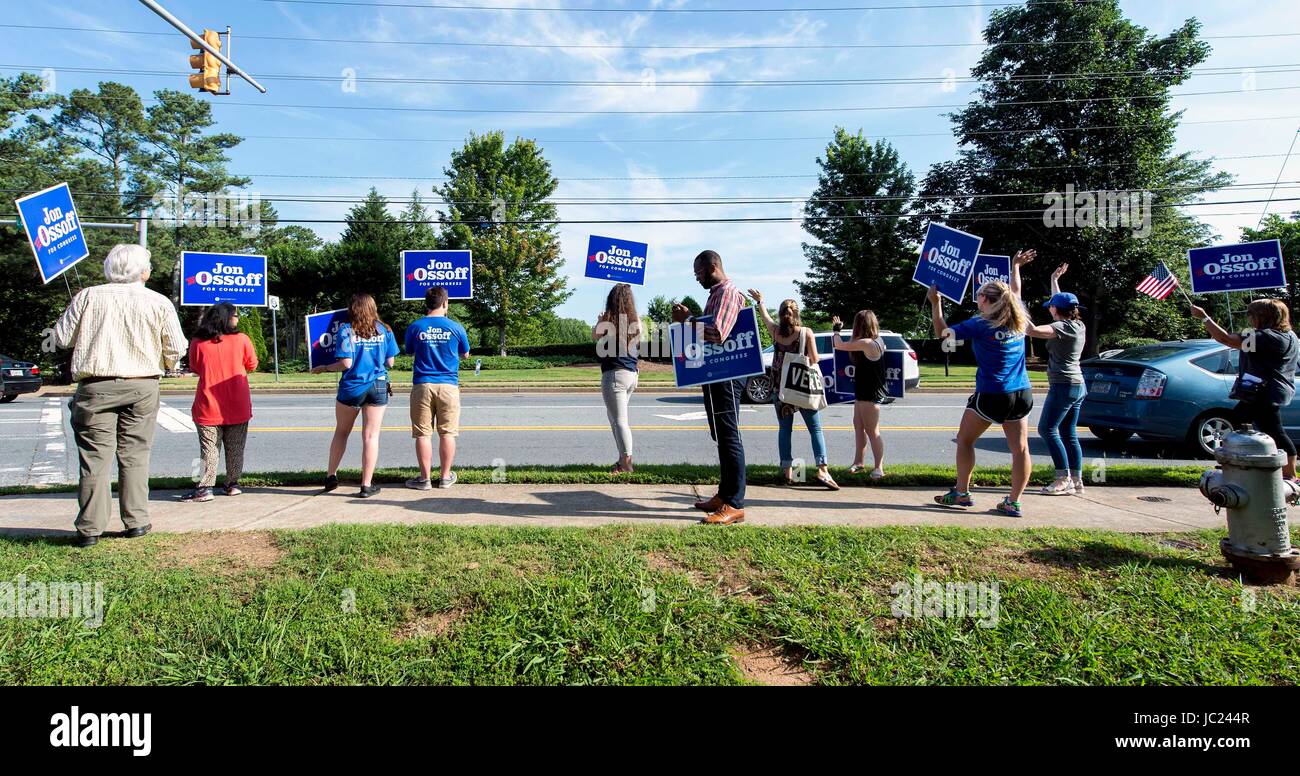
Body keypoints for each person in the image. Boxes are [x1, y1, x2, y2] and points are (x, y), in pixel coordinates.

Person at [54, 243, 186, 547]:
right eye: (148, 265)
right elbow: (177, 347)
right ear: (141, 271)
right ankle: (136, 521)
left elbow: (61, 338)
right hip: (142, 384)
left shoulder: (88, 296)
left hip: (95, 386)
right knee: (135, 454)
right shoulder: (158, 301)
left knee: (94, 460)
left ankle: (89, 528)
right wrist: (166, 363)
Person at [927, 260, 1034, 517]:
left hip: (992, 393)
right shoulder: (1018, 318)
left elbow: (943, 333)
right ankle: (1013, 502)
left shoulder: (980, 323)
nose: (977, 298)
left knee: (965, 440)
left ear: (986, 299)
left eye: (979, 294)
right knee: (1020, 449)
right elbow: (1015, 293)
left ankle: (961, 493)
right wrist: (1015, 268)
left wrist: (935, 302)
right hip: (1022, 392)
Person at [673, 250, 747, 525]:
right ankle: (724, 495)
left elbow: (717, 333)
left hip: (727, 374)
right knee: (722, 435)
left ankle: (735, 504)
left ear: (713, 266)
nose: (697, 278)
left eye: (698, 272)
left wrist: (689, 320)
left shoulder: (726, 292)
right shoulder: (715, 294)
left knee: (729, 436)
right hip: (717, 373)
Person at [1192, 298, 1299, 479]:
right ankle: (1238, 466)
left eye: (1250, 314)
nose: (1249, 319)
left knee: (1275, 432)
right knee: (1238, 422)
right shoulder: (1290, 336)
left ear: (1261, 316)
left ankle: (1290, 475)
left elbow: (1225, 339)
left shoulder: (1265, 337)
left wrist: (1204, 318)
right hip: (1269, 392)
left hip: (1263, 393)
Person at [312, 292, 399, 498]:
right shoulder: (385, 329)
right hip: (378, 385)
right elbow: (391, 362)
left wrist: (323, 367)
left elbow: (346, 363)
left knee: (341, 432)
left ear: (352, 310)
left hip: (352, 387)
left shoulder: (346, 330)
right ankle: (366, 485)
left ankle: (331, 476)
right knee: (371, 436)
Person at [749, 289, 838, 489]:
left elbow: (764, 317)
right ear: (796, 314)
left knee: (784, 430)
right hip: (802, 387)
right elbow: (814, 359)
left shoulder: (775, 332)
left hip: (781, 390)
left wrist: (761, 301)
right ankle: (822, 470)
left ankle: (787, 471)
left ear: (781, 315)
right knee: (815, 429)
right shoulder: (806, 333)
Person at [1017, 257, 1087, 495]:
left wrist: (1018, 305)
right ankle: (1076, 481)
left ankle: (1062, 479)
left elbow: (1032, 330)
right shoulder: (1078, 325)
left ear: (1056, 310)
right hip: (1078, 385)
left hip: (1064, 385)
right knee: (1069, 432)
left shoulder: (1060, 328)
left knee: (1047, 429)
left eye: (1051, 306)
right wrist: (1054, 281)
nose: (1048, 307)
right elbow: (1062, 304)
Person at [179, 302, 258, 503]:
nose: (238, 318)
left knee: (208, 449)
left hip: (208, 404)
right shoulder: (242, 340)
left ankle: (204, 487)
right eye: (236, 315)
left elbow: (196, 367)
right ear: (227, 318)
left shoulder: (198, 342)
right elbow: (252, 364)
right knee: (236, 448)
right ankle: (232, 484)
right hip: (238, 402)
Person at [404, 286, 471, 490]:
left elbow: (409, 352)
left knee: (423, 433)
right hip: (448, 385)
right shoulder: (456, 327)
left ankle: (424, 479)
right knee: (447, 433)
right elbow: (465, 354)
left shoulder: (416, 326)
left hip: (423, 384)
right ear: (445, 303)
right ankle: (444, 477)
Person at [831, 310, 888, 479]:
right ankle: (859, 462)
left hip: (869, 393)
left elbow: (838, 344)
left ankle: (879, 468)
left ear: (859, 325)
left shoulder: (867, 343)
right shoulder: (875, 340)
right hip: (863, 390)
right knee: (858, 426)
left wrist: (836, 330)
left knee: (872, 431)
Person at [592, 283, 641, 474]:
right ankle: (622, 459)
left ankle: (626, 463)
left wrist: (600, 321)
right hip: (631, 374)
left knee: (619, 421)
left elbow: (595, 337)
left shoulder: (609, 321)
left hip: (614, 374)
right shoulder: (637, 320)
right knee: (615, 418)